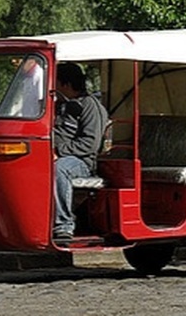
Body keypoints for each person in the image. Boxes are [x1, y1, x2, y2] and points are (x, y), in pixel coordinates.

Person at [52, 62, 108, 241]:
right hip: (53, 153)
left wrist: (58, 151)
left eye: (56, 83)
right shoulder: (60, 105)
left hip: (80, 161)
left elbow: (89, 144)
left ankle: (63, 225)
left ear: (66, 85)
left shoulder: (89, 105)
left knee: (59, 169)